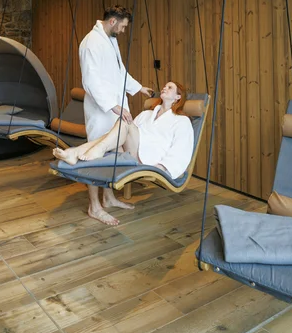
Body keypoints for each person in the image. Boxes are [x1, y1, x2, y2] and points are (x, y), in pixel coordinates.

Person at [54, 81, 195, 226]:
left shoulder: (181, 121)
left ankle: (78, 151)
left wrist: (162, 167)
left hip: (148, 160)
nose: (165, 87)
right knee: (114, 135)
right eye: (165, 85)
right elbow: (124, 133)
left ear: (178, 97)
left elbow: (181, 150)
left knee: (124, 121)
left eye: (170, 87)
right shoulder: (146, 114)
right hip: (130, 151)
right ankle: (105, 195)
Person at [76, 6, 155, 222]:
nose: (122, 31)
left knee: (113, 153)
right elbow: (90, 80)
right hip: (101, 110)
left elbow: (120, 72)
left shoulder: (110, 40)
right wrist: (113, 106)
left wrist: (139, 88)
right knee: (95, 155)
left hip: (115, 107)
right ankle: (94, 206)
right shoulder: (91, 43)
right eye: (122, 26)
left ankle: (109, 198)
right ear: (112, 21)